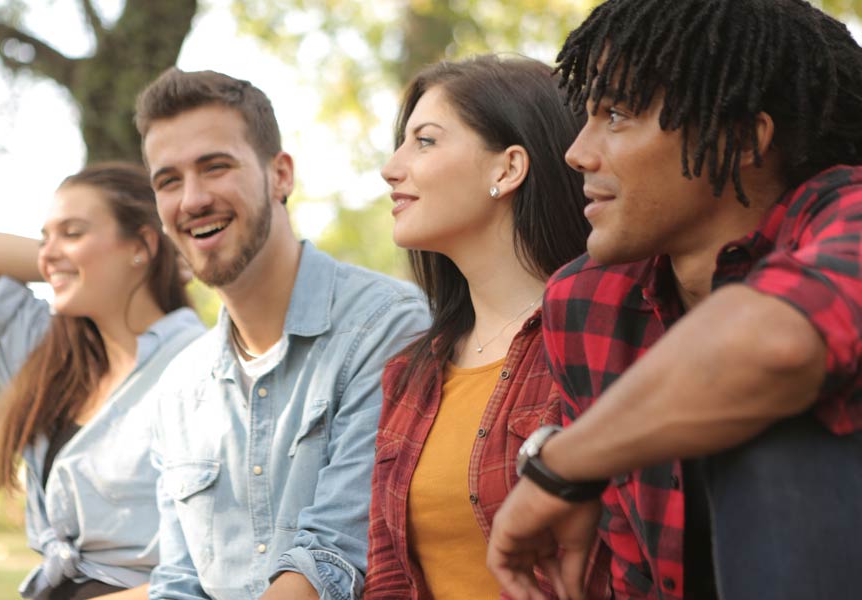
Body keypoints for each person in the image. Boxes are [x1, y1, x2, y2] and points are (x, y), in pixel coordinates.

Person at [485, 1, 862, 599]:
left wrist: (561, 465)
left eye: (616, 114)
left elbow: (775, 347)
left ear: (740, 138)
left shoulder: (851, 215)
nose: (577, 152)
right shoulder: (586, 300)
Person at [134, 68, 430, 600]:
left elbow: (336, 554)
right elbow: (177, 582)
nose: (193, 199)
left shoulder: (387, 326)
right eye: (168, 181)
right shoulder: (178, 389)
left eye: (215, 167)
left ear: (281, 175)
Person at [365, 55, 608, 600]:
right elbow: (387, 578)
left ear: (507, 169)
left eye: (424, 141)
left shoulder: (596, 341)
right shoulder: (408, 374)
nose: (391, 167)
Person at [0, 162, 205, 600]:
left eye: (73, 232)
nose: (48, 253)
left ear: (141, 244)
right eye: (46, 238)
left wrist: (131, 263)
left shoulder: (198, 367)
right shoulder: (52, 359)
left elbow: (212, 566)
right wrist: (71, 262)